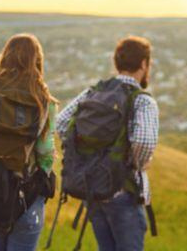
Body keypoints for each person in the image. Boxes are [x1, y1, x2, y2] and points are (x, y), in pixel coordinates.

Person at [54, 36, 158, 251]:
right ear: (144, 64)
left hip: (93, 190)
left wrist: (89, 156)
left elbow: (62, 123)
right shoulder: (142, 100)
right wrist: (136, 164)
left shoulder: (94, 92)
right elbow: (144, 142)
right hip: (124, 192)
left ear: (116, 63)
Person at [0, 34, 58, 251]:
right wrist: (45, 174)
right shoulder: (42, 97)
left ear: (6, 55)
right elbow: (45, 150)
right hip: (26, 192)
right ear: (37, 60)